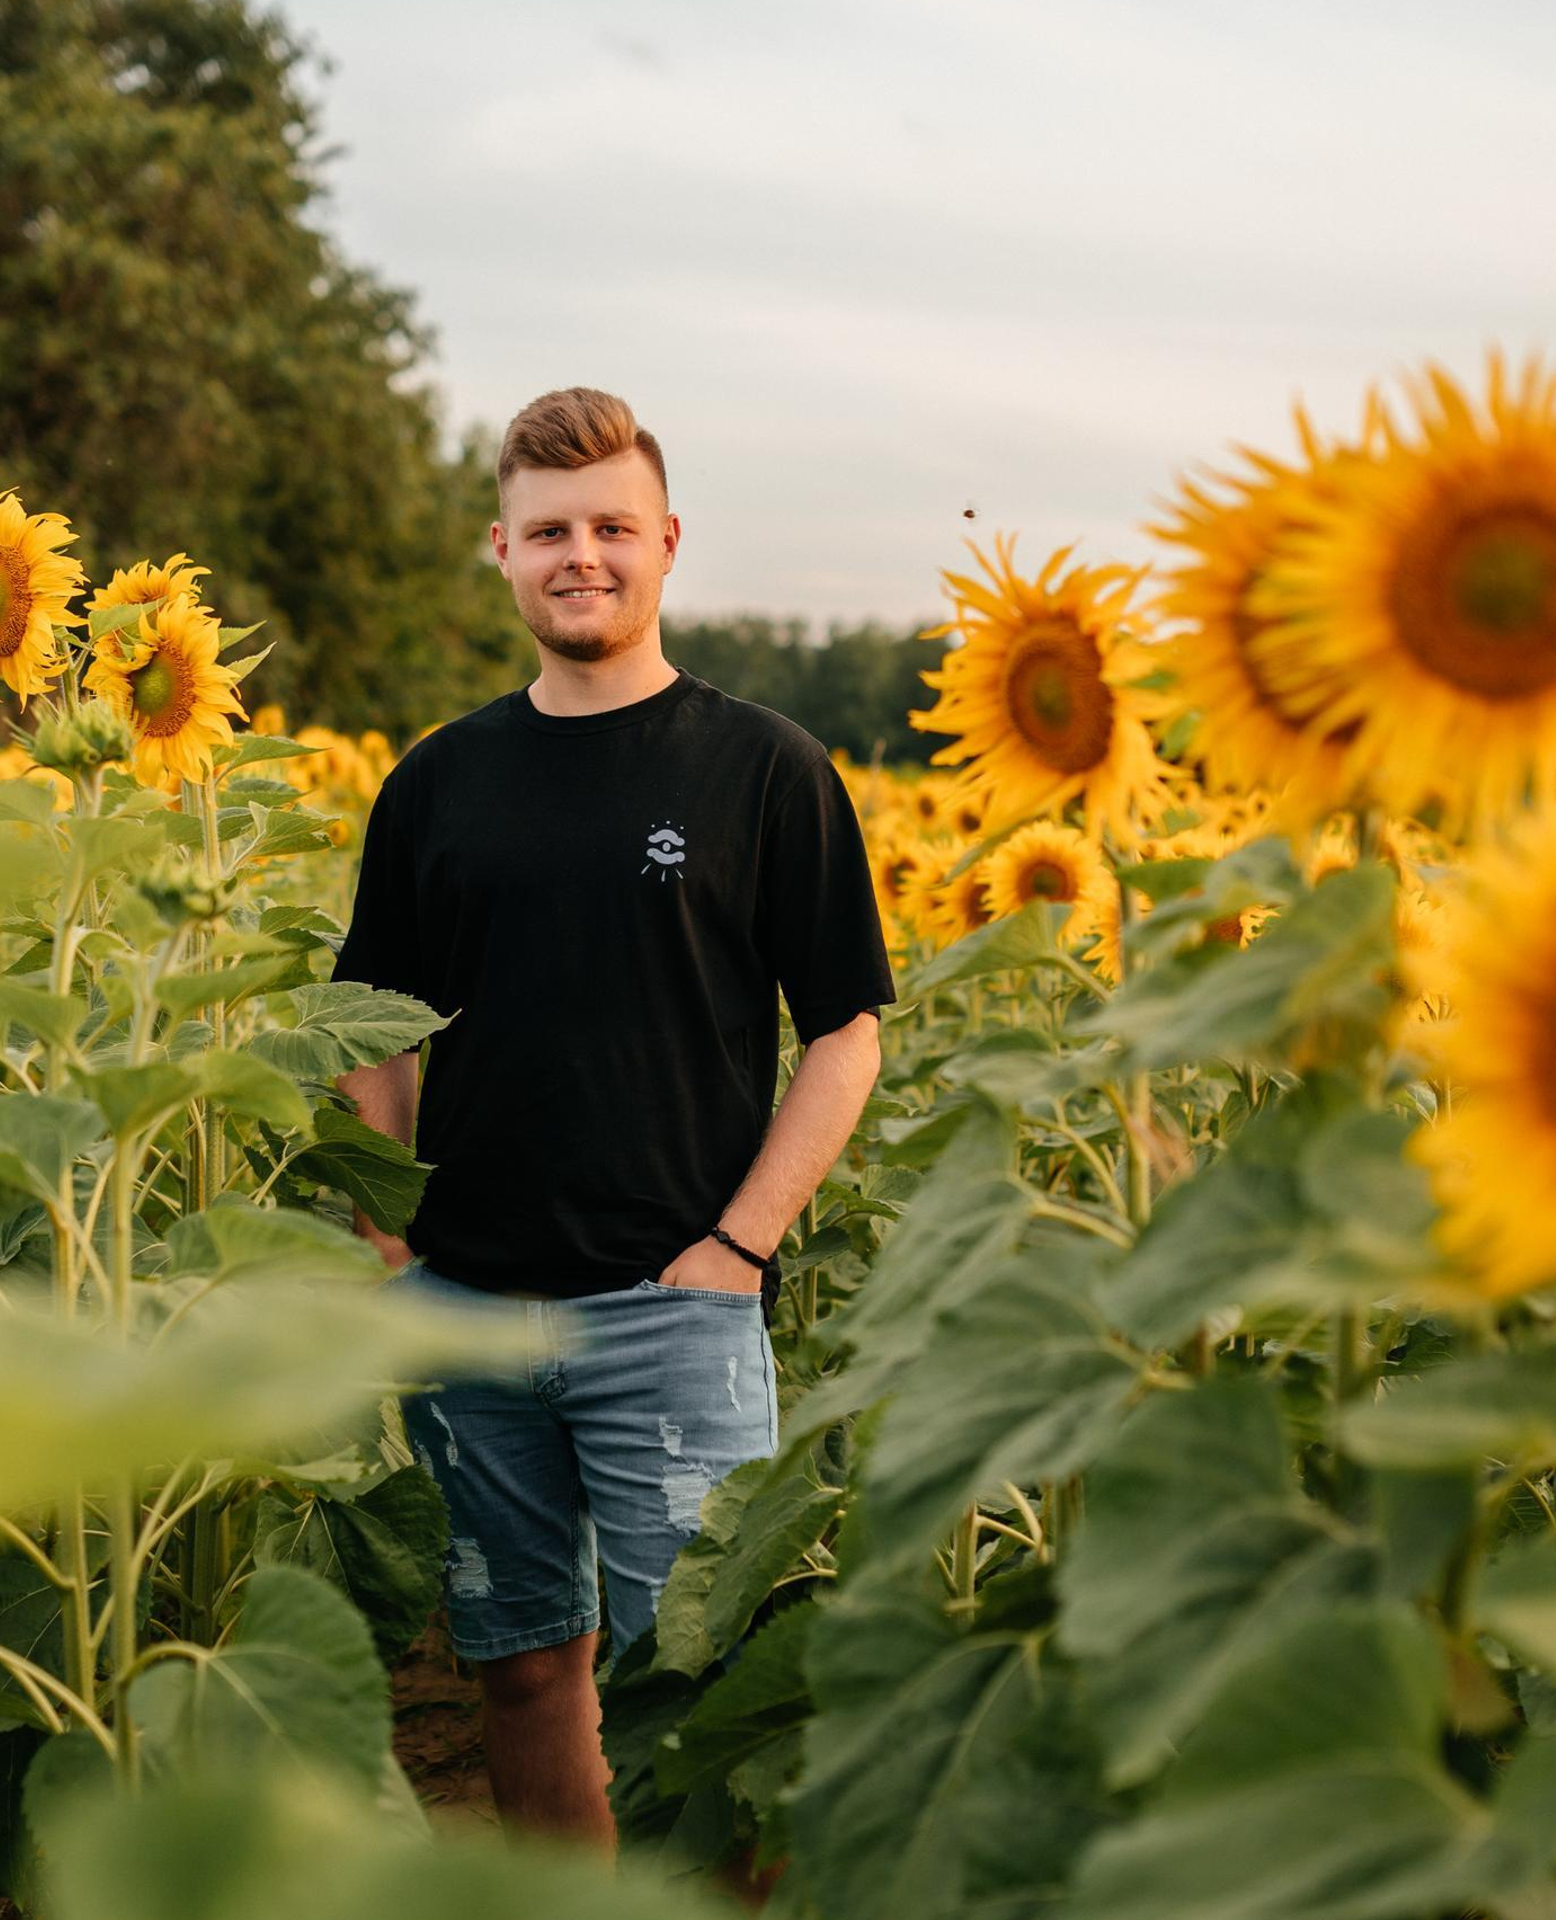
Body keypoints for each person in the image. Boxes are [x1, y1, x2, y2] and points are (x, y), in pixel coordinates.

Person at [329, 386, 895, 1848]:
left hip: (675, 1306)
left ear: (666, 543)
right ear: (501, 554)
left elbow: (843, 1032)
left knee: (693, 1682)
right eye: (548, 531)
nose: (582, 555)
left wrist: (740, 1247)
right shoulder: (439, 781)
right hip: (466, 1303)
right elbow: (370, 1031)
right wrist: (389, 1238)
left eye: (610, 527)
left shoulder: (762, 767)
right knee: (520, 1666)